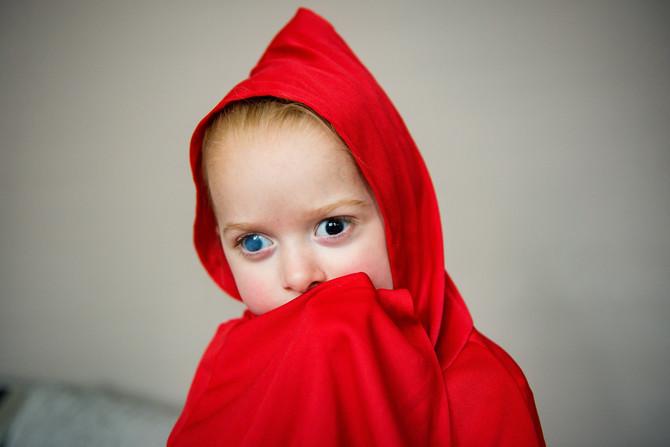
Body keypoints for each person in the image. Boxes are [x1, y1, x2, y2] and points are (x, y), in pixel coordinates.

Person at [168, 7, 545, 446]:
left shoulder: (485, 389)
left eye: (332, 227)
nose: (299, 276)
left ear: (398, 219)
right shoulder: (231, 365)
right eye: (254, 241)